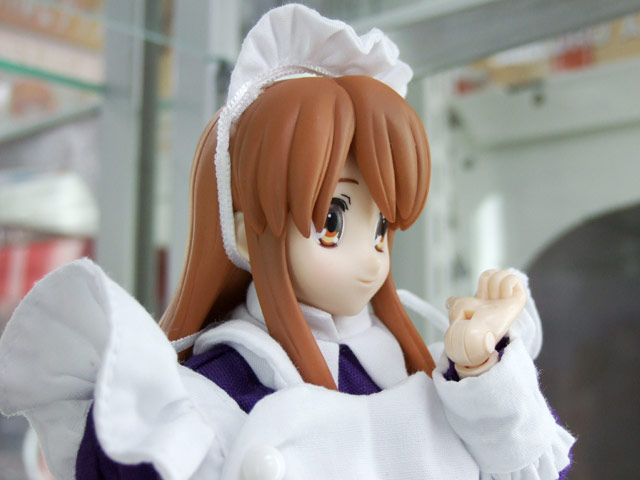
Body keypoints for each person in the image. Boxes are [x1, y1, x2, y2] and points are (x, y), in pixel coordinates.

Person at [0, 5, 574, 479]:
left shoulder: (406, 361)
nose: (370, 256)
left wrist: (481, 367)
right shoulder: (229, 380)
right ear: (247, 235)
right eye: (333, 222)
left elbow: (525, 466)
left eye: (382, 229)